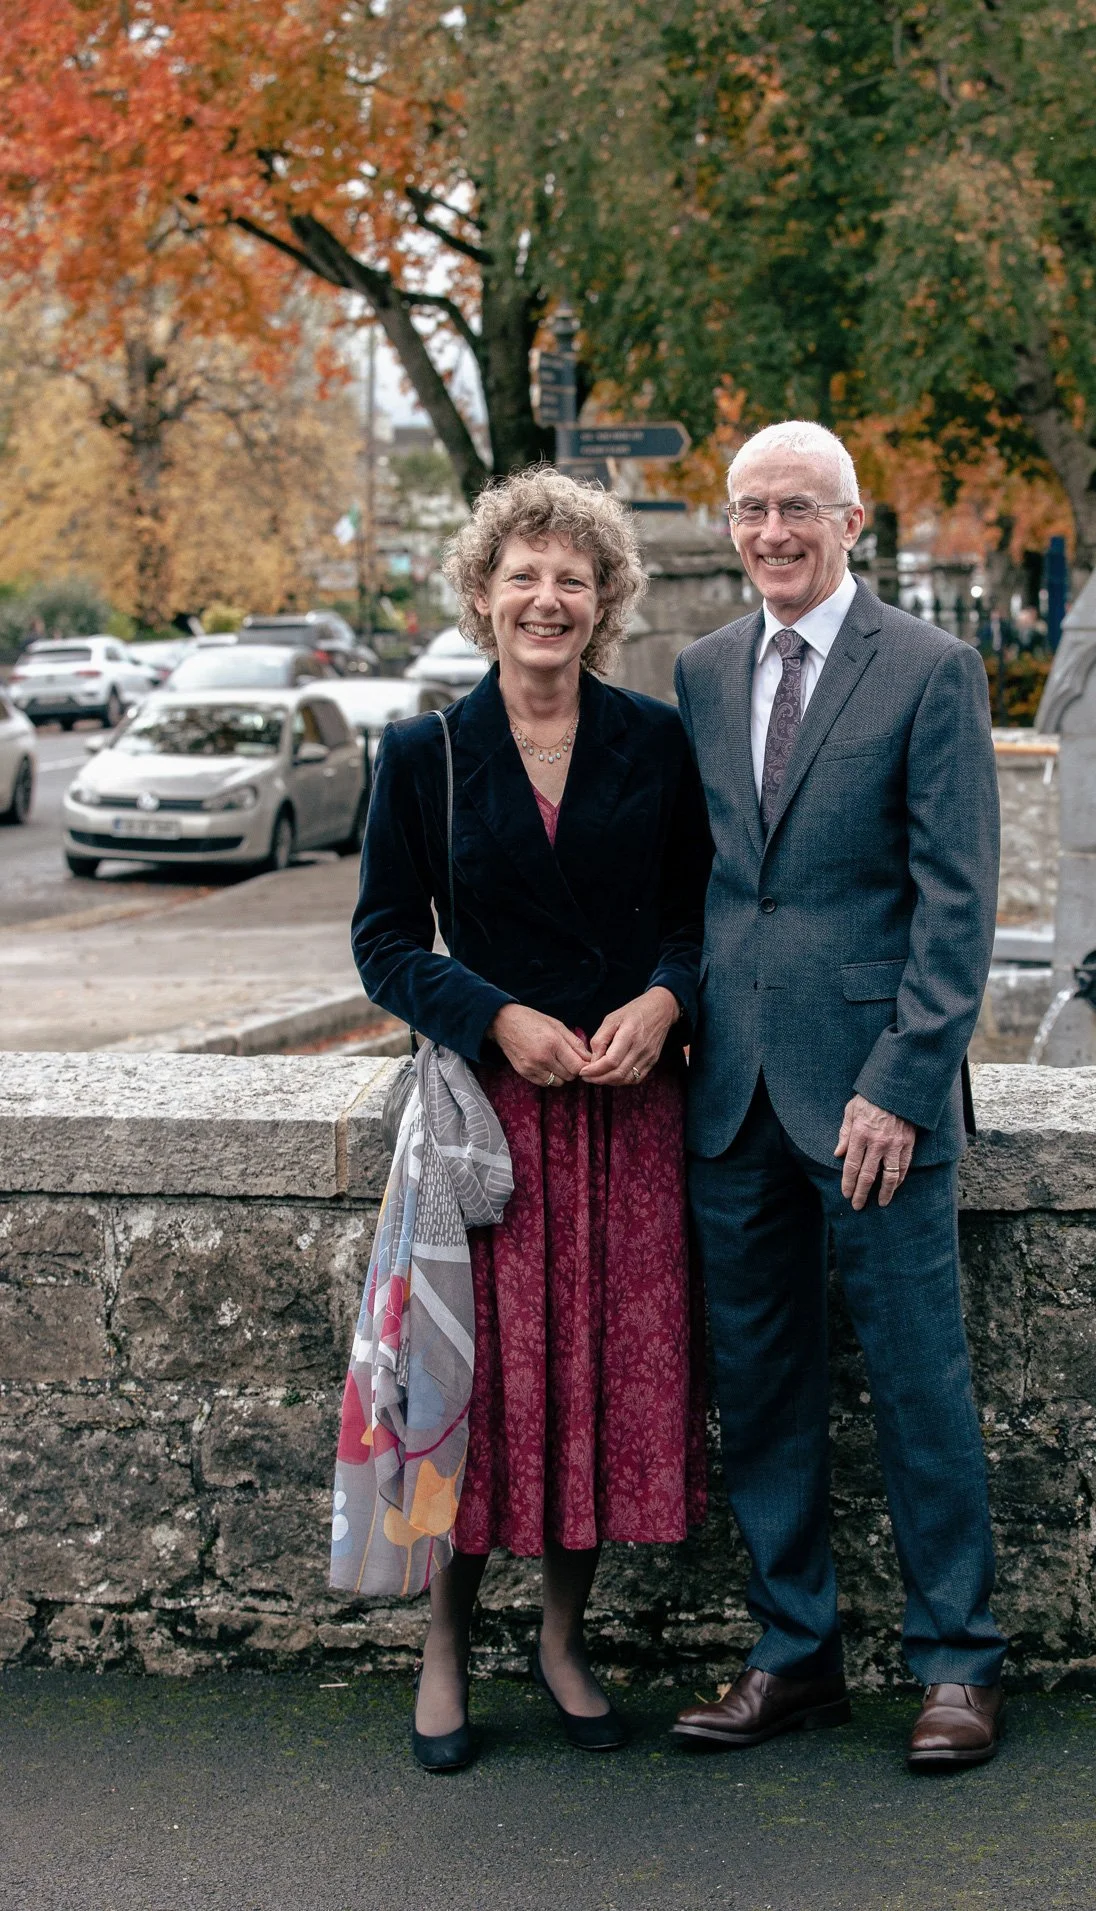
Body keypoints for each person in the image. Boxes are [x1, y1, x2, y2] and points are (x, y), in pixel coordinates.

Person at [351, 468, 710, 1771]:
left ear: (604, 599)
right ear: (485, 594)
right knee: (468, 1393)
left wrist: (668, 999)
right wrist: (492, 1015)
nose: (547, 598)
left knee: (592, 1391)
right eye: (525, 576)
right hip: (483, 1134)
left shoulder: (657, 742)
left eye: (573, 577)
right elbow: (384, 939)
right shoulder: (424, 753)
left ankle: (564, 1639)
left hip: (625, 1123)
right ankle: (445, 1648)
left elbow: (697, 917)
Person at [670, 420, 1007, 1771]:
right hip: (732, 1093)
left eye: (799, 507)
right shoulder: (699, 670)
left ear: (853, 519)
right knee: (757, 1386)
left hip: (875, 1102)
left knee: (922, 1382)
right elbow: (703, 880)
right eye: (752, 509)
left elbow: (959, 900)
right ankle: (793, 1649)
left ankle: (959, 1663)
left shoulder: (930, 669)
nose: (773, 533)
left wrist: (903, 1081)